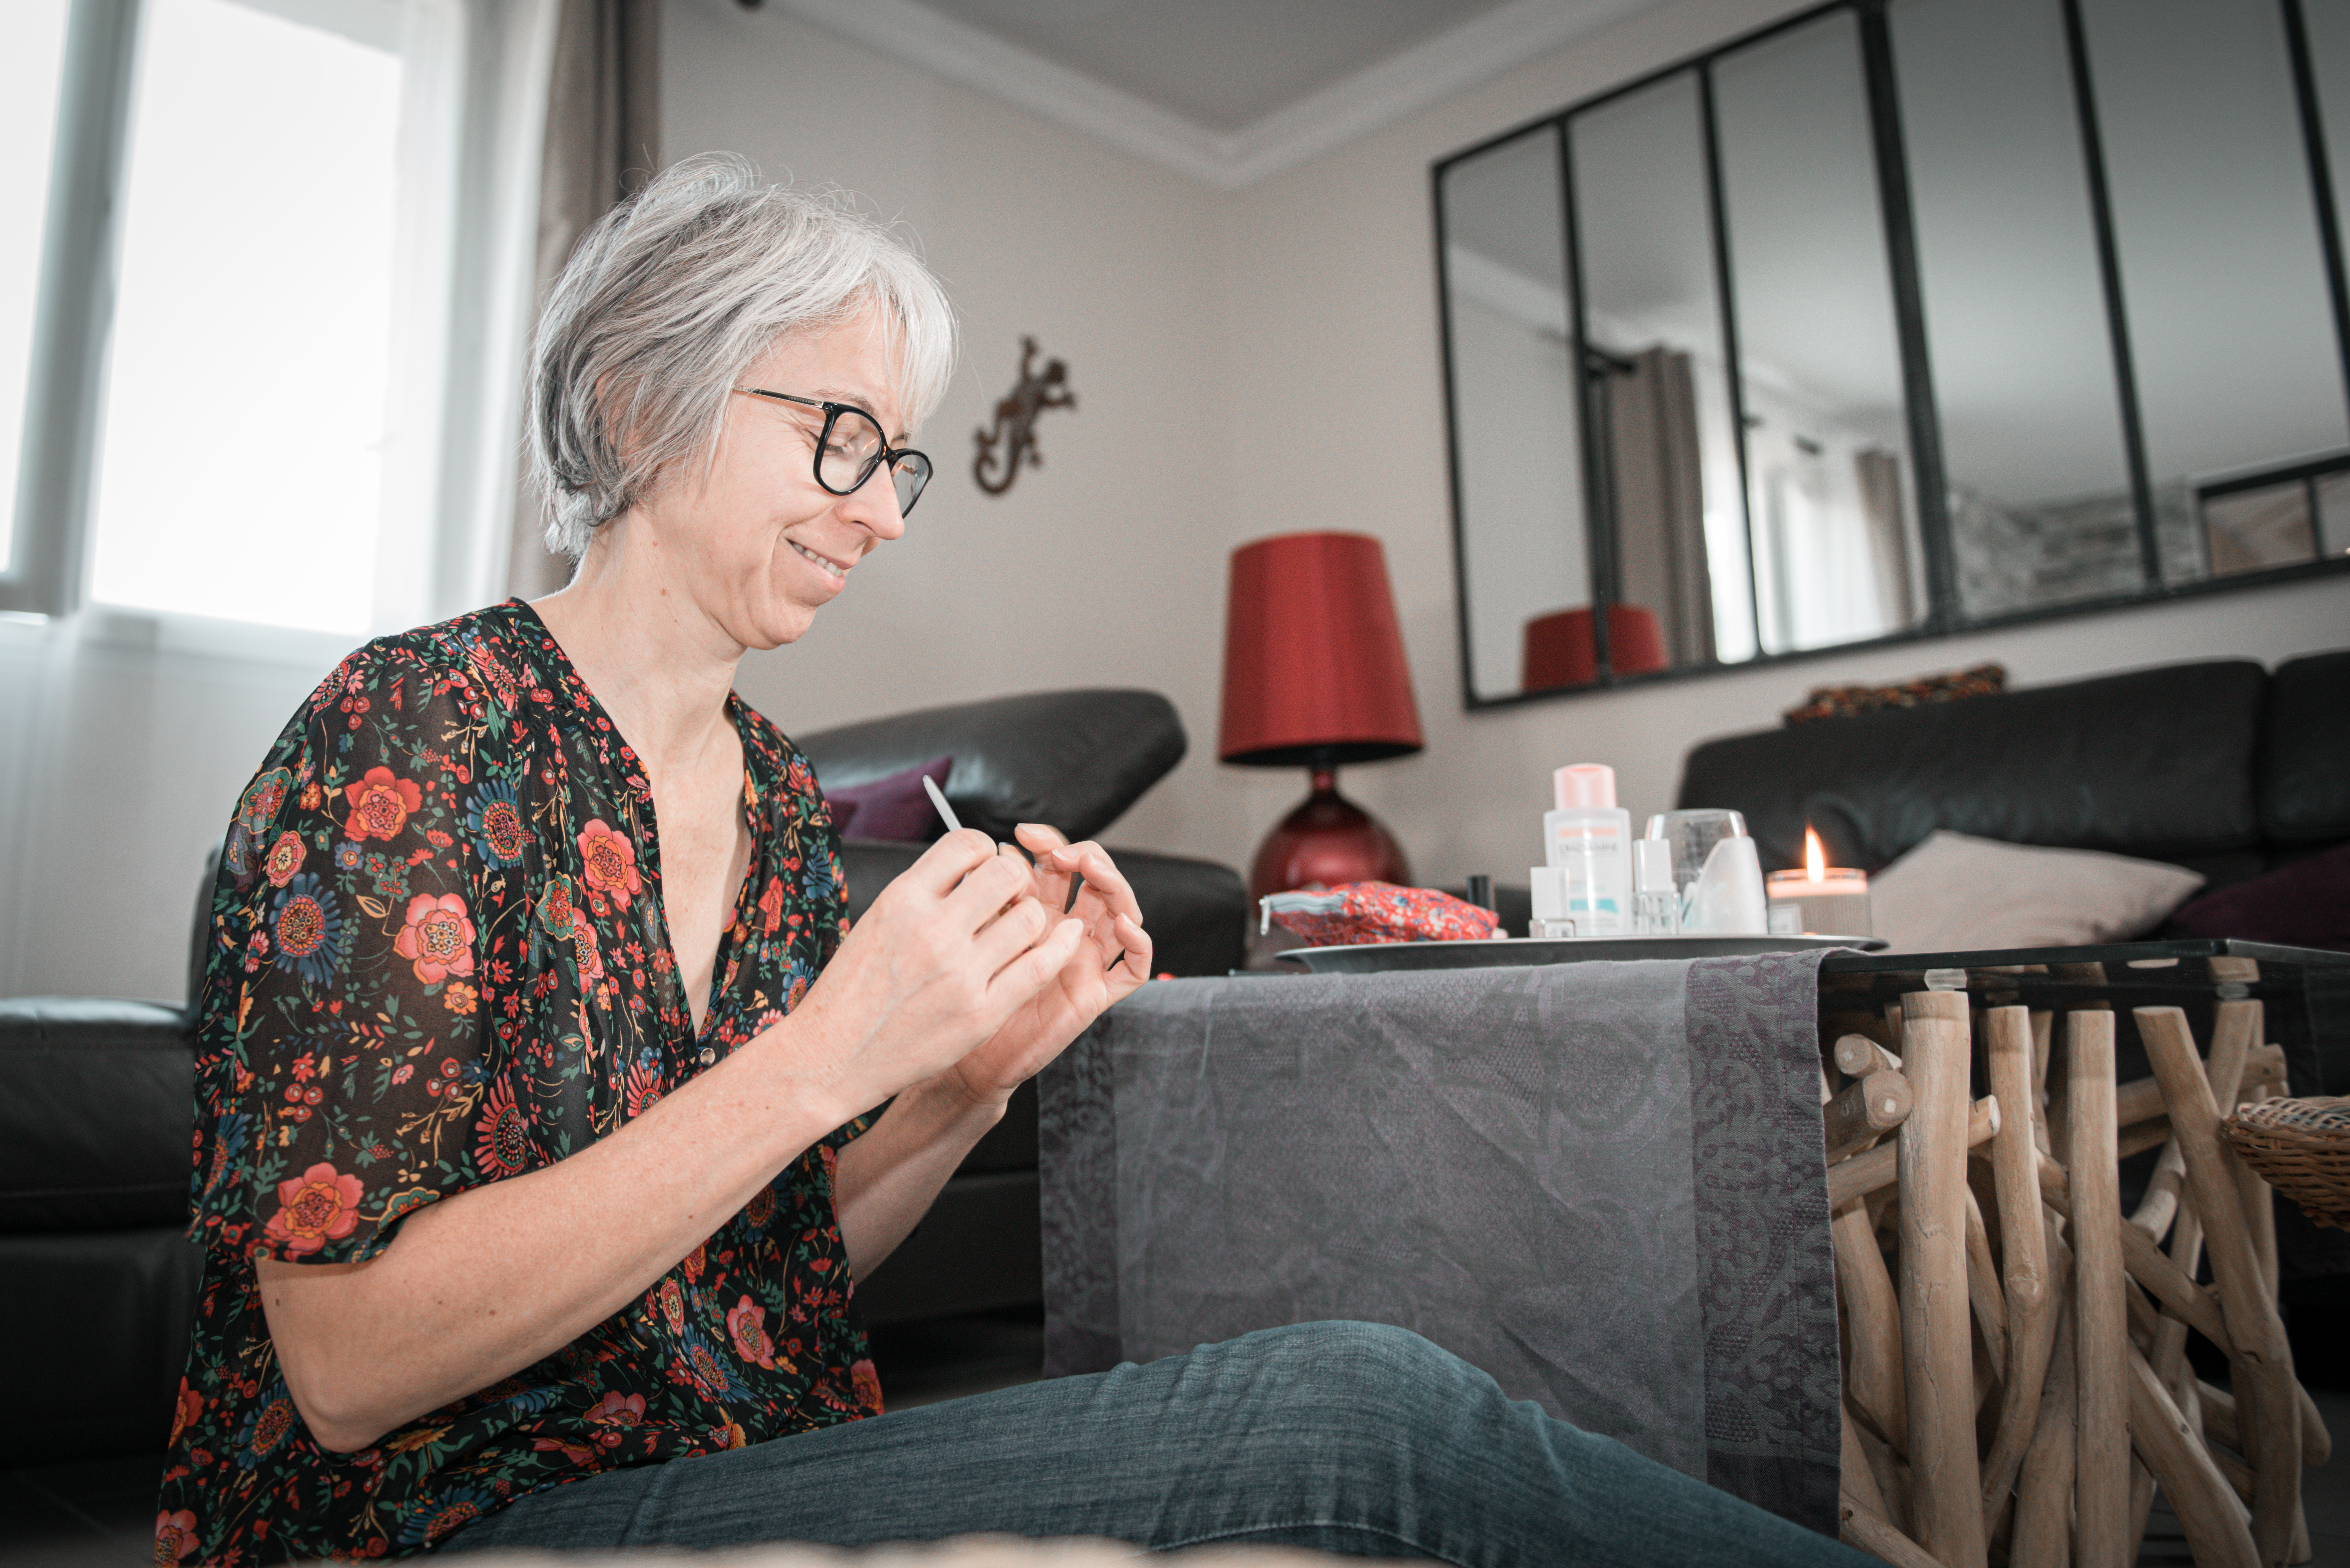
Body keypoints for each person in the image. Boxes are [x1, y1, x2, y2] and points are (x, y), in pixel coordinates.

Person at [156, 154, 1867, 1567]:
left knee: (1357, 1413)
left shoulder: (763, 794)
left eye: (893, 459)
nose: (885, 511)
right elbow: (347, 1364)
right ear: (634, 398)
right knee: (1356, 1417)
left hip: (718, 1463)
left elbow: (762, 1267)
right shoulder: (410, 735)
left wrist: (969, 1074)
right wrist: (832, 1047)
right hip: (427, 1521)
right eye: (839, 433)